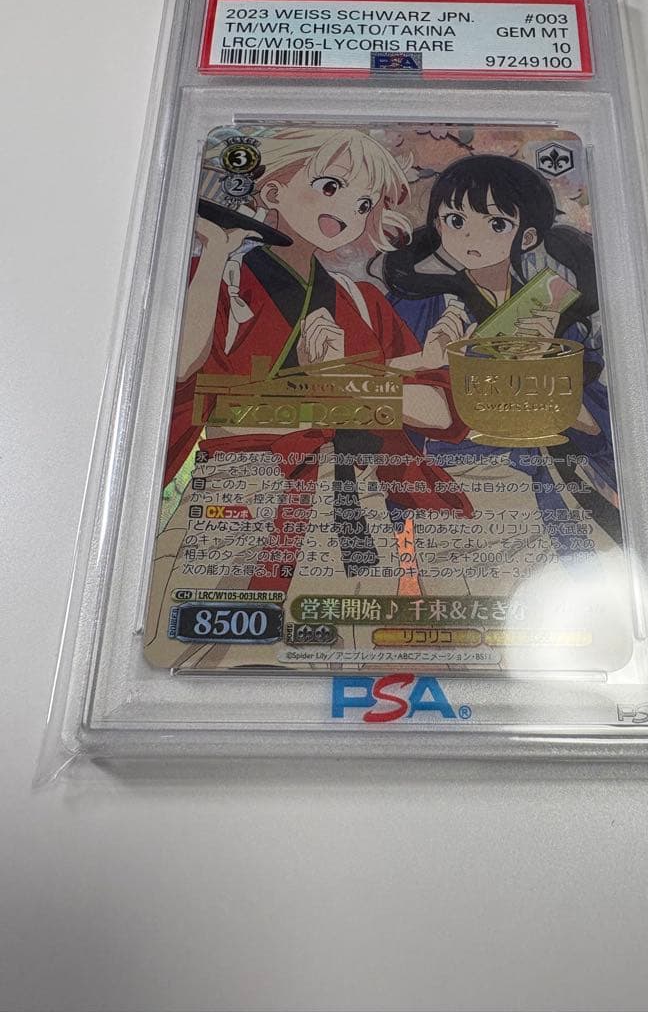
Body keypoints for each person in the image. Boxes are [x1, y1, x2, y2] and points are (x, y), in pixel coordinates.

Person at [147, 127, 471, 668]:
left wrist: (345, 383)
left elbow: (437, 410)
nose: (346, 211)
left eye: (363, 204)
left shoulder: (361, 301)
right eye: (330, 187)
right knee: (183, 652)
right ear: (273, 190)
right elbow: (178, 368)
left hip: (350, 504)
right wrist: (216, 253)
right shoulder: (222, 281)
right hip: (241, 489)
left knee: (329, 660)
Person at [380, 153, 621, 573]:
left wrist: (547, 365)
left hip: (549, 472)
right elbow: (380, 394)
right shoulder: (418, 305)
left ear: (526, 237)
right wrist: (430, 361)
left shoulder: (552, 313)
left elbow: (596, 426)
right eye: (456, 220)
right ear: (438, 225)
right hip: (457, 475)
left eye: (495, 224)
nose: (470, 235)